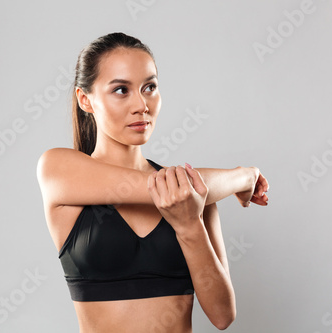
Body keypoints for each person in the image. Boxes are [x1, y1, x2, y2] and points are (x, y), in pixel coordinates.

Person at [36, 32, 269, 333]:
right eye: (121, 90)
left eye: (150, 87)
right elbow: (159, 187)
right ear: (85, 100)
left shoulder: (194, 198)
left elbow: (223, 316)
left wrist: (189, 227)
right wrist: (242, 176)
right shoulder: (57, 167)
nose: (141, 105)